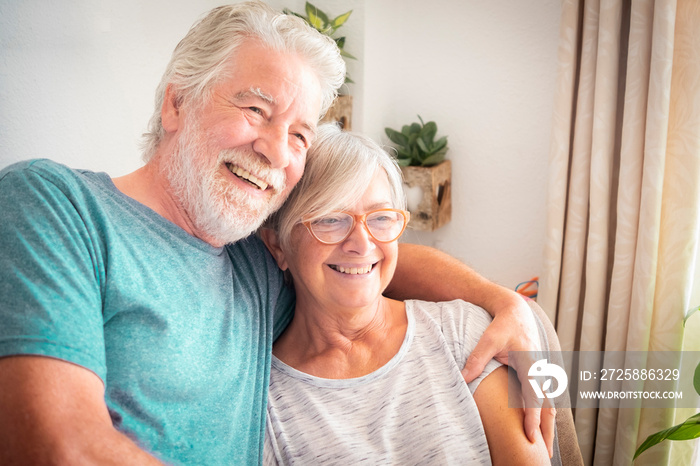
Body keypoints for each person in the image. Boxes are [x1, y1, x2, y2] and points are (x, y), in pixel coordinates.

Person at [0, 2, 551, 464]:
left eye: (298, 134)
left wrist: (503, 303)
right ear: (177, 103)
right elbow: (57, 446)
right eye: (255, 109)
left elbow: (365, 255)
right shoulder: (55, 205)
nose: (273, 149)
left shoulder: (252, 258)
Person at [260, 124, 551, 465]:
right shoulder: (265, 407)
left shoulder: (464, 333)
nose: (362, 243)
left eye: (381, 217)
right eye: (330, 218)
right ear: (278, 245)